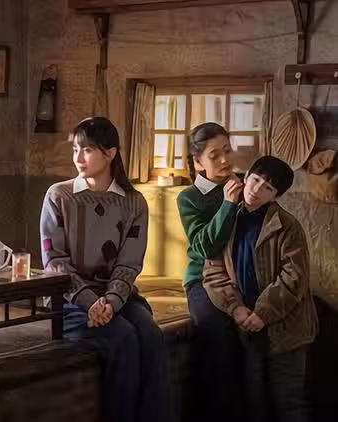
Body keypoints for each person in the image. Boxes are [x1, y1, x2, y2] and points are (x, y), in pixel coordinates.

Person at [40, 117, 172, 422]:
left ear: (111, 153)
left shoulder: (134, 202)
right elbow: (54, 260)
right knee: (123, 338)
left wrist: (110, 302)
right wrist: (91, 302)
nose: (78, 157)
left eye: (87, 150)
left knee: (151, 335)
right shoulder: (59, 196)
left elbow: (129, 263)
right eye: (75, 149)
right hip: (69, 300)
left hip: (119, 298)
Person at [203, 156, 317, 422]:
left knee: (288, 404)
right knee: (254, 404)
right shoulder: (227, 217)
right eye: (255, 180)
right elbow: (212, 270)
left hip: (287, 329)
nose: (256, 190)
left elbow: (294, 277)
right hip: (246, 325)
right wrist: (235, 308)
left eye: (268, 188)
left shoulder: (287, 226)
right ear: (246, 177)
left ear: (276, 196)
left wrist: (263, 313)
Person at [175, 122, 246, 421]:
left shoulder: (245, 185)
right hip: (201, 281)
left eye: (227, 151)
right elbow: (204, 246)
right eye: (214, 155)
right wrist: (228, 204)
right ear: (198, 161)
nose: (225, 160)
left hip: (242, 276)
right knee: (217, 336)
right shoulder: (189, 197)